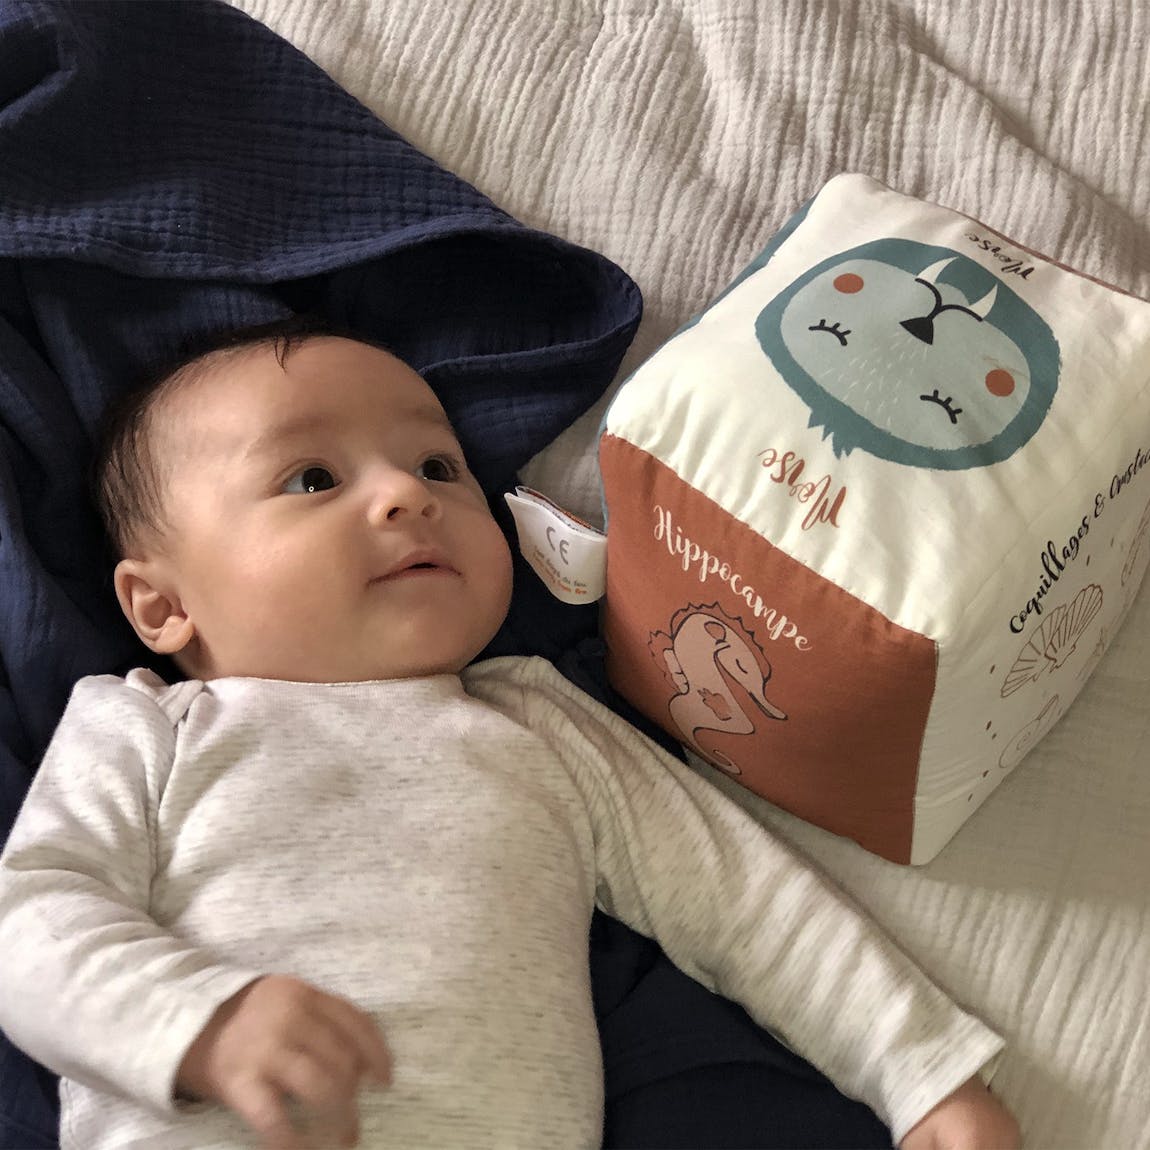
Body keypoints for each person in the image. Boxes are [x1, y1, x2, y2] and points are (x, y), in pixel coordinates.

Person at [0, 324, 1020, 1150]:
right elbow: (30, 924)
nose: (407, 494)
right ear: (162, 606)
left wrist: (917, 1070)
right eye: (312, 478)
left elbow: (747, 905)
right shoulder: (146, 727)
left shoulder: (538, 726)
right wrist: (195, 1022)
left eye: (438, 464)